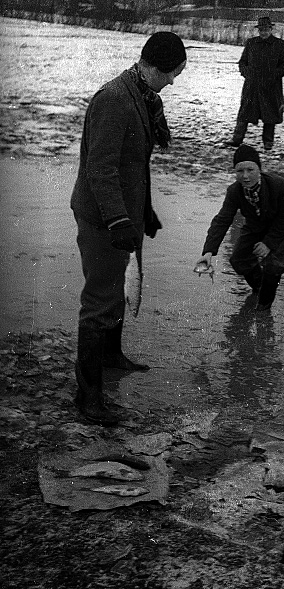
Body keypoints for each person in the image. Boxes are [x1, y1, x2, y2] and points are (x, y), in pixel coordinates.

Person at [70, 31, 187, 426]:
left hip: (124, 212)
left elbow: (133, 165)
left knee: (118, 286)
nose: (172, 82)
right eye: (171, 74)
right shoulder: (116, 100)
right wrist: (120, 219)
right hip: (103, 216)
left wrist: (144, 211)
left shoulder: (141, 95)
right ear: (152, 66)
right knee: (101, 298)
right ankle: (87, 399)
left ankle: (110, 356)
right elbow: (100, 169)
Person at [194, 144, 284, 311]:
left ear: (259, 169)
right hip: (256, 217)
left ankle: (263, 309)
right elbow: (222, 219)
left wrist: (268, 243)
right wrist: (208, 252)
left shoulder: (277, 185)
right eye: (239, 171)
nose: (245, 176)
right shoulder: (234, 191)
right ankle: (260, 287)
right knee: (238, 259)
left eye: (250, 170)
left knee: (274, 263)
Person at [227, 15, 284, 151]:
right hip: (252, 85)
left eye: (266, 29)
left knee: (270, 114)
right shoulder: (251, 43)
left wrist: (274, 75)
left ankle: (268, 142)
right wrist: (246, 73)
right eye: (261, 29)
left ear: (271, 29)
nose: (264, 32)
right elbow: (243, 62)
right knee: (244, 112)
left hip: (270, 86)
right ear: (258, 30)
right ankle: (237, 139)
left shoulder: (279, 44)